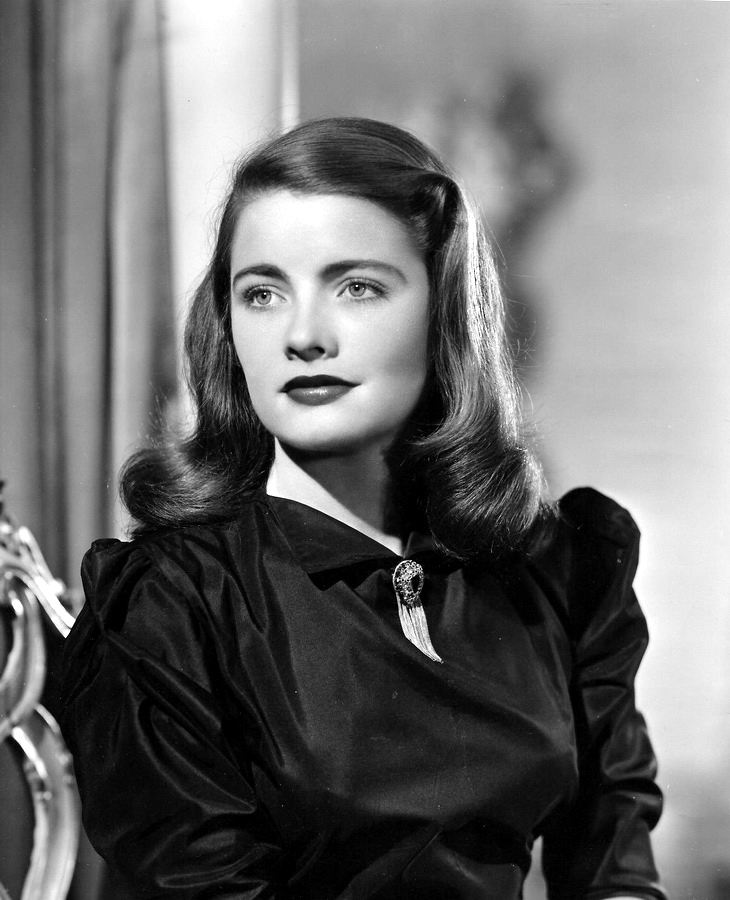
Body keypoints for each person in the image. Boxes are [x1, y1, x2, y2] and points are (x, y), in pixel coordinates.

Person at [60, 117, 665, 899]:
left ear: (443, 310)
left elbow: (615, 862)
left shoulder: (560, 568)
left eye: (357, 287)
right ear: (226, 326)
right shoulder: (170, 605)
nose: (304, 336)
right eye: (262, 293)